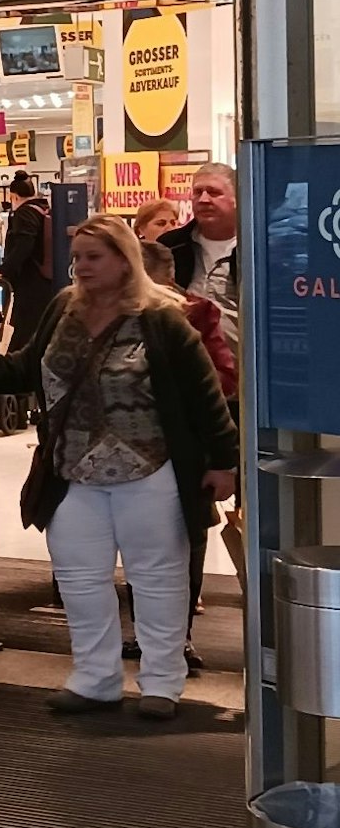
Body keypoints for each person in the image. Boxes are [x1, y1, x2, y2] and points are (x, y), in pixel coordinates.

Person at [0, 216, 237, 721]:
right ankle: (95, 679)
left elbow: (205, 398)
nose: (82, 267)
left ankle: (162, 683)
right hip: (72, 471)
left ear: (124, 258)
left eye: (95, 257)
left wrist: (223, 462)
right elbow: (28, 368)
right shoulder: (63, 308)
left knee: (157, 578)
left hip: (151, 470)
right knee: (79, 579)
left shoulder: (164, 318)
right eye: (78, 258)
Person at [155, 162, 245, 588]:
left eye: (213, 192)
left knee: (254, 498)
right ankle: (184, 604)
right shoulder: (171, 247)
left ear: (236, 196)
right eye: (197, 192)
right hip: (188, 394)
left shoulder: (261, 244)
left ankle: (261, 604)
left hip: (248, 391)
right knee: (190, 501)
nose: (203, 199)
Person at [0, 172, 55, 351]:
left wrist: (2, 271)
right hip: (43, 280)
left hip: (31, 280)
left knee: (25, 327)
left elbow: (24, 245)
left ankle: (14, 366)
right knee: (31, 326)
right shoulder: (42, 208)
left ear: (13, 196)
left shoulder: (24, 213)